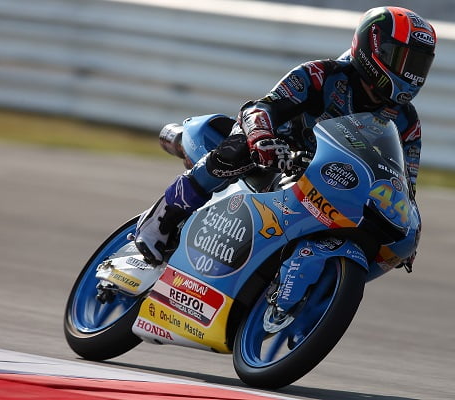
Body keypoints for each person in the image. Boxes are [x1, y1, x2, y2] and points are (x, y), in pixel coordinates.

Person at [134, 6, 437, 270]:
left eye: (418, 65)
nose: (410, 73)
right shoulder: (322, 74)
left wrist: (409, 231)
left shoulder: (407, 122)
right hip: (275, 155)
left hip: (329, 182)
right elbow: (261, 107)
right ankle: (164, 217)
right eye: (403, 60)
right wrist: (262, 137)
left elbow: (404, 185)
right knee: (238, 148)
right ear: (375, 49)